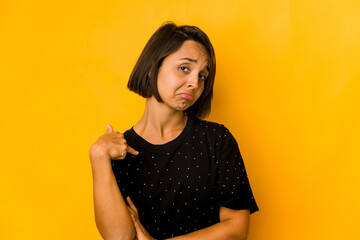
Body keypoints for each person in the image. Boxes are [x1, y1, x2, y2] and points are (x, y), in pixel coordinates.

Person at [89, 22, 259, 240]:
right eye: (185, 68)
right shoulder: (118, 151)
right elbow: (119, 237)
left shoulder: (217, 140)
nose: (194, 83)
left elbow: (237, 229)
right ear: (152, 69)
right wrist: (98, 155)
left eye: (202, 76)